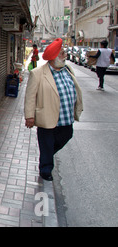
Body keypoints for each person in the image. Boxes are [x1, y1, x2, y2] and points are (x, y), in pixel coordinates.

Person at [24, 38, 83, 181]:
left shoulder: (68, 70)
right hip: (47, 117)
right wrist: (29, 116)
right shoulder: (38, 73)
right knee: (46, 143)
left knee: (66, 136)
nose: (65, 56)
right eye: (62, 54)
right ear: (53, 57)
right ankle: (45, 170)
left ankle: (46, 155)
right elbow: (30, 96)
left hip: (65, 118)